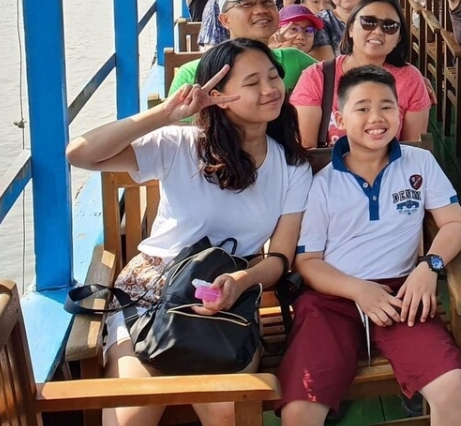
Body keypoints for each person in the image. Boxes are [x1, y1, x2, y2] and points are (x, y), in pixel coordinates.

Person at [67, 39, 313, 426]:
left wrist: (242, 278)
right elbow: (79, 153)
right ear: (218, 96)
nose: (270, 89)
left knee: (226, 413)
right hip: (152, 292)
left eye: (273, 76)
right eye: (252, 82)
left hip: (226, 303)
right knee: (132, 417)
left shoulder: (292, 167)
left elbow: (280, 258)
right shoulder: (181, 145)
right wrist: (165, 114)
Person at [277, 65, 461, 426]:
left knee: (450, 386)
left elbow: (455, 223)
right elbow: (309, 262)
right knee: (299, 410)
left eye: (387, 106)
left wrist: (429, 266)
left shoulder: (419, 162)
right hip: (331, 301)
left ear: (400, 112)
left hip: (402, 295)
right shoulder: (322, 183)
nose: (376, 118)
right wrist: (359, 291)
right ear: (339, 117)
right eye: (362, 108)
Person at [290, 0, 431, 148]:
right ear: (350, 29)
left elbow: (412, 149)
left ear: (398, 39)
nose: (378, 31)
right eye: (368, 22)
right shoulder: (316, 77)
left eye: (389, 26)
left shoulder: (410, 79)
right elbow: (307, 150)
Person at [169, 0, 317, 95]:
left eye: (267, 2)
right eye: (246, 4)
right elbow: (180, 130)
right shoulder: (193, 74)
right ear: (225, 20)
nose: (261, 10)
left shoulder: (295, 59)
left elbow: (336, 79)